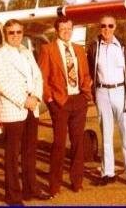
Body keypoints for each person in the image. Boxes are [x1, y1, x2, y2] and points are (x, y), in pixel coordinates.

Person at [0, 19, 52, 205]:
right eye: (11, 33)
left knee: (30, 152)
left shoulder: (26, 52)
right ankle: (13, 196)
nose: (16, 36)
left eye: (19, 32)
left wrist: (36, 98)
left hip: (31, 109)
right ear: (5, 34)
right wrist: (24, 100)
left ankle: (31, 189)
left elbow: (37, 76)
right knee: (12, 156)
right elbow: (2, 83)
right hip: (14, 110)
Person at [38, 16, 93, 197]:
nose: (66, 32)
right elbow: (42, 78)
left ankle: (77, 181)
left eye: (69, 28)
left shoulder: (78, 49)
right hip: (60, 102)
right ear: (57, 30)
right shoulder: (48, 50)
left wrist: (86, 94)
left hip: (79, 100)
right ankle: (54, 185)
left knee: (78, 143)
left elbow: (85, 73)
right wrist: (50, 100)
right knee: (59, 144)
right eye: (63, 29)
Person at [87, 15, 126, 187]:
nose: (107, 29)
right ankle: (107, 173)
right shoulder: (94, 47)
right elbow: (89, 70)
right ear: (99, 27)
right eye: (103, 26)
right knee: (106, 134)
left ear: (115, 27)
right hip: (102, 91)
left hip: (121, 92)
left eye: (110, 26)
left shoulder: (124, 47)